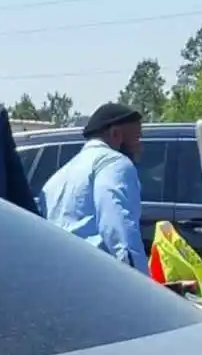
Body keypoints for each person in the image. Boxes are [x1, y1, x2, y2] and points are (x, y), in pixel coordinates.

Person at [39, 102, 146, 271]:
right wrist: (143, 286)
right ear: (116, 134)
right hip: (95, 276)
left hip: (58, 276)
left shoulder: (57, 177)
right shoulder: (115, 163)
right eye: (137, 138)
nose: (140, 146)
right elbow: (119, 229)